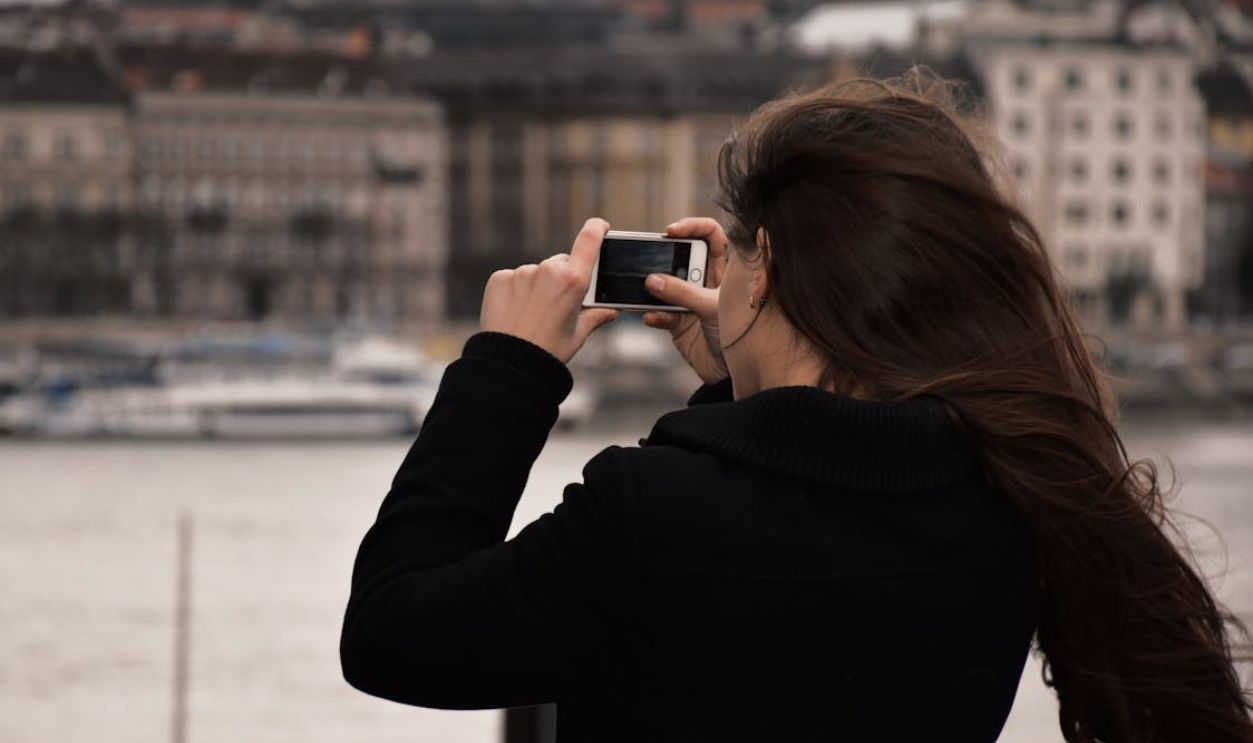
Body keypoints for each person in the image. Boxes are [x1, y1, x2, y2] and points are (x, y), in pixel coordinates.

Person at [340, 69, 1253, 742]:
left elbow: (391, 633)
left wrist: (505, 370)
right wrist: (736, 385)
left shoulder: (649, 512)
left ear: (766, 266)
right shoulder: (1007, 491)